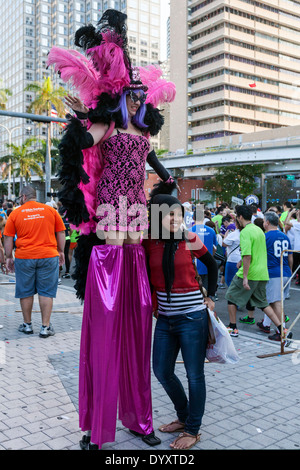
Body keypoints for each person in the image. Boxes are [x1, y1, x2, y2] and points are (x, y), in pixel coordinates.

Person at [47, 9, 176, 450]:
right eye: (134, 96)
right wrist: (79, 120)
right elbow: (82, 145)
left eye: (143, 97)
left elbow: (155, 166)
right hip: (108, 225)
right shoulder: (107, 124)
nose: (140, 102)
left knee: (138, 321)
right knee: (105, 320)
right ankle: (95, 428)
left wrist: (168, 182)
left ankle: (139, 419)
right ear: (122, 95)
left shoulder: (141, 131)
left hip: (137, 223)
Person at [143, 181, 218, 450]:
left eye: (177, 213)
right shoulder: (148, 240)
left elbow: (212, 262)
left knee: (194, 375)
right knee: (161, 370)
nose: (175, 218)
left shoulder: (188, 237)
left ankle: (193, 429)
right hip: (165, 318)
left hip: (192, 317)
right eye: (169, 213)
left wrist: (211, 296)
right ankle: (184, 416)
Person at [3, 186, 65, 338]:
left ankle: (27, 325)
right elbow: (61, 232)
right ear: (33, 196)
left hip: (25, 257)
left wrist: (9, 256)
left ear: (23, 197)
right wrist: (61, 251)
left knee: (25, 291)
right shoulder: (50, 210)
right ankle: (45, 327)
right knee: (46, 292)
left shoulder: (15, 213)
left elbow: (8, 237)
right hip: (48, 256)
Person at [225, 205, 287, 339]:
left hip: (250, 273)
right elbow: (256, 252)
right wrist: (242, 261)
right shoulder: (259, 230)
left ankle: (233, 327)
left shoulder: (246, 232)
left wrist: (245, 276)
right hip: (262, 273)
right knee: (263, 303)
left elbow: (247, 255)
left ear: (240, 217)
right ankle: (282, 329)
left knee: (230, 297)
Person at [256, 211, 293, 340]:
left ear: (267, 222)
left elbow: (259, 255)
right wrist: (290, 271)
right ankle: (266, 324)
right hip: (285, 271)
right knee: (274, 300)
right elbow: (290, 256)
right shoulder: (284, 236)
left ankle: (282, 330)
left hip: (273, 273)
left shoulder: (265, 237)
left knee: (275, 301)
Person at [191, 208, 217, 294]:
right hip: (208, 264)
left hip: (194, 266)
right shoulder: (211, 231)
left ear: (193, 218)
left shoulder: (189, 231)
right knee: (205, 291)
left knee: (195, 291)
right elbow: (214, 248)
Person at [284, 208, 300, 285]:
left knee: (295, 264)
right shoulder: (297, 224)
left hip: (297, 249)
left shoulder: (297, 225)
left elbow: (286, 223)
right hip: (296, 248)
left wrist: (290, 213)